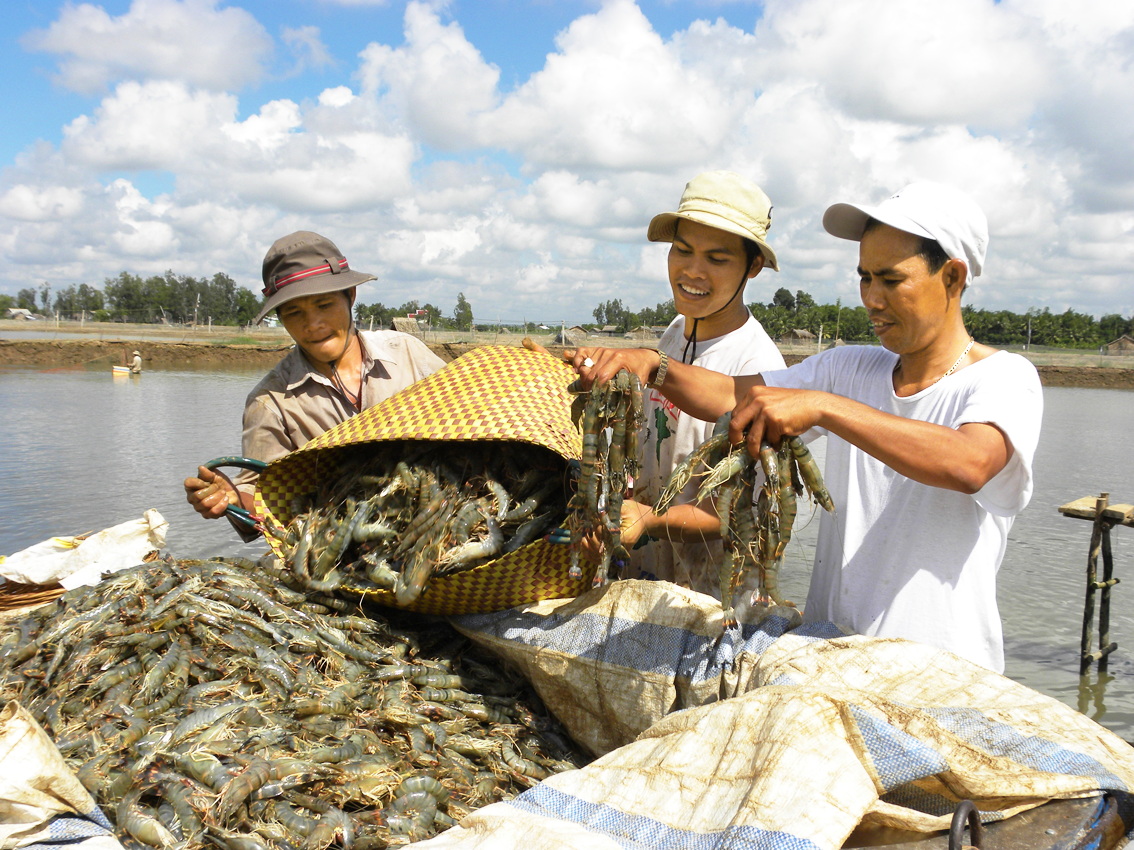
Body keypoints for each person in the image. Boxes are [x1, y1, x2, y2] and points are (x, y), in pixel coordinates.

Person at [570, 182, 1042, 672]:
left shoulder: (1003, 377)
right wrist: (653, 365)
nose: (872, 299)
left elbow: (971, 463)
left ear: (952, 276)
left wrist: (824, 407)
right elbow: (735, 394)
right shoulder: (850, 368)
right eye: (864, 278)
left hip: (941, 671)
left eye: (890, 280)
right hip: (831, 655)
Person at [183, 230, 446, 536]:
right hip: (345, 548)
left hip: (436, 521)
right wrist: (230, 499)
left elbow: (476, 414)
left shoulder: (407, 354)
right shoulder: (271, 403)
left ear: (350, 296)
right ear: (281, 318)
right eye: (295, 313)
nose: (313, 324)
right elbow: (262, 499)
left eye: (324, 306)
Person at [614, 170, 786, 596]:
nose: (692, 270)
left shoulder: (757, 365)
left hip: (709, 598)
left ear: (754, 266)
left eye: (717, 258)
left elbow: (727, 512)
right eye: (682, 250)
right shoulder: (676, 331)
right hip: (649, 577)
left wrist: (649, 521)